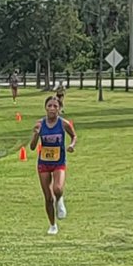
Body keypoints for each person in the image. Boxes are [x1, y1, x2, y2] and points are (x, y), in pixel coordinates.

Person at [30, 94, 76, 235]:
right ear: (45, 108)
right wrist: (36, 135)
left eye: (55, 106)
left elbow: (74, 136)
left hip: (59, 161)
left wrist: (72, 145)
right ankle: (52, 225)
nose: (52, 108)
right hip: (44, 162)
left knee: (57, 188)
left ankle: (60, 200)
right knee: (48, 197)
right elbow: (32, 147)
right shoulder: (39, 124)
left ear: (60, 109)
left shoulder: (63, 124)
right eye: (49, 106)